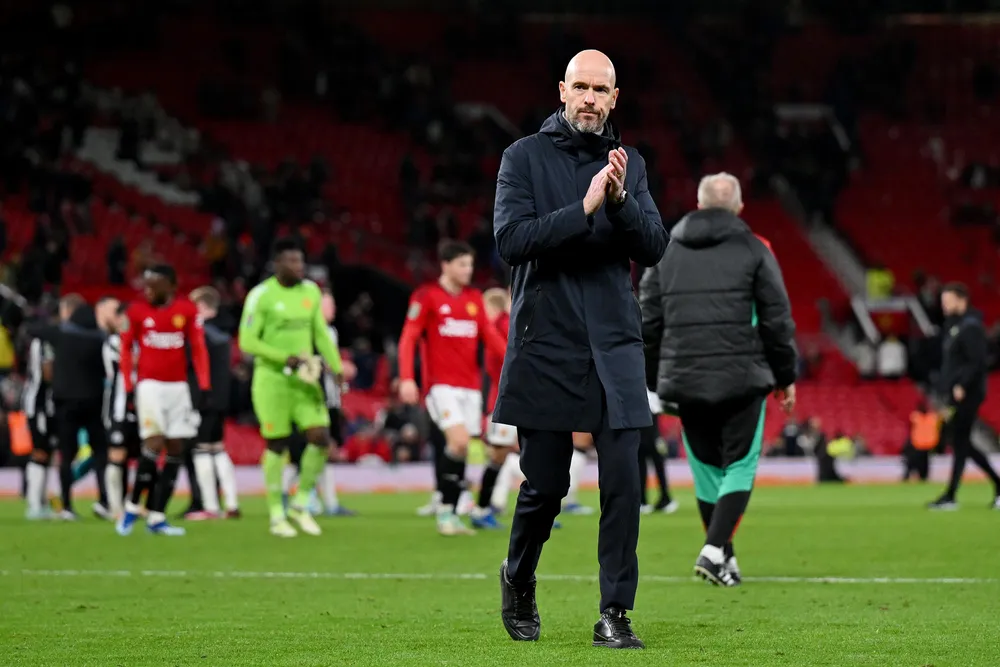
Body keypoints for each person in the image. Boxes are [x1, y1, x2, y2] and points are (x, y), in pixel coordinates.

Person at [493, 50, 667, 649]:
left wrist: (619, 202)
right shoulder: (522, 157)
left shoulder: (630, 164)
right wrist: (585, 207)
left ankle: (614, 612)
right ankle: (518, 575)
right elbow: (512, 241)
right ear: (562, 90)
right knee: (546, 486)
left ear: (615, 98)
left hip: (615, 344)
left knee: (623, 482)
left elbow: (654, 247)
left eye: (601, 89)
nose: (590, 98)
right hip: (547, 341)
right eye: (582, 87)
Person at [639, 172, 797, 588]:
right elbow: (776, 319)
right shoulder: (756, 248)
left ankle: (725, 557)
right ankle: (712, 551)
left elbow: (647, 322)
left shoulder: (666, 250)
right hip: (743, 377)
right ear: (739, 207)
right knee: (739, 466)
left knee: (707, 469)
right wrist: (785, 376)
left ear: (699, 203)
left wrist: (655, 380)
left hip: (685, 379)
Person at [397, 240, 507, 536]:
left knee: (461, 449)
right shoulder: (427, 296)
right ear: (445, 265)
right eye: (462, 264)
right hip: (441, 386)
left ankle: (450, 510)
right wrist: (406, 377)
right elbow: (409, 337)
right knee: (458, 443)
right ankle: (447, 511)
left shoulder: (473, 298)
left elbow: (490, 336)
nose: (468, 270)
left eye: (470, 264)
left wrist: (516, 361)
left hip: (470, 388)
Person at [238, 238, 346, 537]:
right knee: (277, 444)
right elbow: (247, 341)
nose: (299, 267)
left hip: (304, 381)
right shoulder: (261, 295)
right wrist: (284, 357)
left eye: (301, 261)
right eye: (292, 261)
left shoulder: (310, 291)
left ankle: (301, 503)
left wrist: (336, 367)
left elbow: (320, 333)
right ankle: (276, 513)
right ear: (277, 264)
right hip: (272, 381)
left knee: (321, 437)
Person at [116, 265, 212, 536]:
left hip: (178, 387)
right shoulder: (136, 311)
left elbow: (199, 347)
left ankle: (157, 516)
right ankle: (132, 506)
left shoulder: (187, 310)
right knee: (154, 442)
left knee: (176, 447)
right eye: (145, 284)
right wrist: (129, 385)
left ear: (170, 286)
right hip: (150, 386)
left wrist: (204, 384)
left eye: (153, 284)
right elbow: (125, 348)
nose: (147, 290)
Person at [26, 294, 120, 520]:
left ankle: (66, 505)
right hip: (94, 402)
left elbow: (34, 330)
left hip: (64, 402)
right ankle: (105, 501)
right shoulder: (99, 339)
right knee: (101, 454)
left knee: (66, 455)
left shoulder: (59, 335)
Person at [928, 282, 1000, 510]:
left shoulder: (971, 327)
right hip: (957, 392)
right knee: (961, 443)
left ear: (962, 300)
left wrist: (961, 384)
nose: (944, 305)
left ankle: (951, 496)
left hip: (967, 392)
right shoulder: (955, 326)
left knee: (959, 440)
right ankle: (955, 495)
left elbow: (976, 361)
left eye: (948, 301)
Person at [187, 286, 240, 520]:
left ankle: (209, 506)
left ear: (202, 307)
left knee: (201, 449)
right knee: (217, 448)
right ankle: (232, 503)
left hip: (202, 399)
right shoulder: (223, 334)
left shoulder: (201, 334)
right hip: (221, 400)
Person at [471, 287, 515, 529]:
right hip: (505, 401)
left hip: (505, 400)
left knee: (504, 455)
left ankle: (483, 507)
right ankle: (480, 508)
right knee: (499, 454)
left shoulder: (501, 325)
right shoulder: (501, 326)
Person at [102, 302, 142, 520]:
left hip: (143, 406)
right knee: (117, 454)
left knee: (145, 455)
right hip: (118, 407)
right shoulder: (113, 342)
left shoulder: (141, 341)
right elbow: (128, 363)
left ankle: (134, 504)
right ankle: (115, 507)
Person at [22, 333, 57, 519]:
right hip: (39, 405)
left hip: (44, 406)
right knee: (40, 451)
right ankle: (34, 504)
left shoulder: (41, 341)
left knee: (46, 454)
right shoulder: (44, 342)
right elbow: (48, 372)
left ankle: (40, 502)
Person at [639, 389, 676, 514]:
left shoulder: (651, 392)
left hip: (651, 435)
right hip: (649, 434)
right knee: (645, 467)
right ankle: (645, 500)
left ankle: (664, 498)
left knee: (655, 466)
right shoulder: (651, 392)